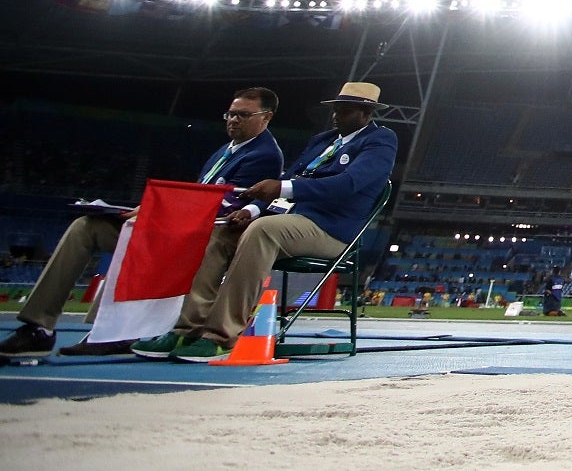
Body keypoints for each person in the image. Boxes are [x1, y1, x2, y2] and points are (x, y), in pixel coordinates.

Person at [0, 88, 285, 358]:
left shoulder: (265, 155)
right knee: (85, 227)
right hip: (176, 226)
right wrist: (149, 209)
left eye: (243, 115)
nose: (234, 120)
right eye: (230, 114)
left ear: (266, 117)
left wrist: (154, 211)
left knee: (133, 233)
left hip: (200, 233)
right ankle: (38, 325)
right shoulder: (226, 150)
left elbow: (222, 208)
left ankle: (118, 333)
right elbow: (200, 195)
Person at [131, 81, 397, 362]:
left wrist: (283, 191)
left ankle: (221, 335)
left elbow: (349, 183)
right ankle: (187, 328)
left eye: (344, 110)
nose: (335, 116)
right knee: (220, 233)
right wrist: (253, 210)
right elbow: (289, 177)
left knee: (263, 232)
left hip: (330, 229)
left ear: (365, 113)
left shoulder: (380, 140)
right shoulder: (323, 140)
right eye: (335, 109)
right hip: (291, 220)